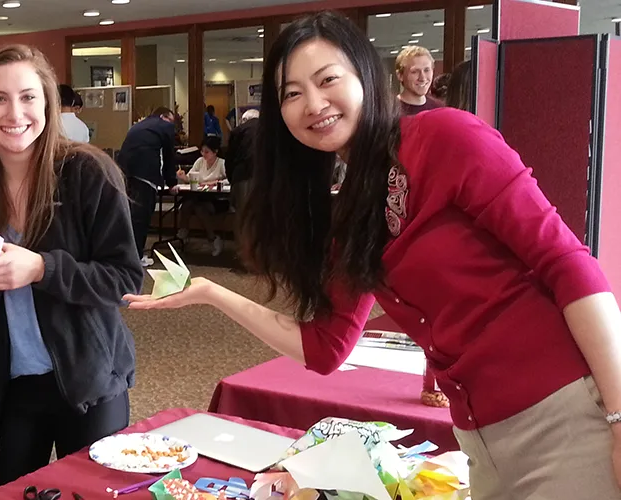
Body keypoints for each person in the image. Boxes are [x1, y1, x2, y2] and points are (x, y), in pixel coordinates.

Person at [124, 11, 621, 499]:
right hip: (479, 437)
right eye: (292, 94)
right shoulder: (354, 211)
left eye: (327, 80)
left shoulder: (447, 138)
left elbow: (569, 264)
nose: (313, 104)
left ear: (367, 76)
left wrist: (620, 416)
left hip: (564, 413)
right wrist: (214, 294)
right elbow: (326, 350)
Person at [0, 44, 143, 487]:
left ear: (48, 104)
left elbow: (126, 280)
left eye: (28, 96)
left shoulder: (87, 173)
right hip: (12, 387)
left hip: (89, 382)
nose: (14, 112)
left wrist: (41, 269)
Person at [119, 107, 178, 266]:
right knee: (142, 217)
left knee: (131, 216)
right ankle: (137, 257)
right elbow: (169, 156)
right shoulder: (165, 126)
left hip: (125, 171)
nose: (171, 125)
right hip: (145, 172)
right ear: (163, 116)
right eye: (171, 120)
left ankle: (126, 254)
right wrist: (172, 182)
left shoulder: (139, 125)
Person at [176, 135, 228, 256]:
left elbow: (229, 180)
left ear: (215, 152)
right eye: (202, 151)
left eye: (207, 152)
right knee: (189, 203)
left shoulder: (222, 164)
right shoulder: (199, 162)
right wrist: (183, 177)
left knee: (197, 206)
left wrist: (215, 182)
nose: (203, 154)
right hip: (199, 196)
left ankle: (210, 237)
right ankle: (186, 231)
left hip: (217, 199)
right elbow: (191, 178)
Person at [224, 108, 259, 216]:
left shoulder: (237, 131)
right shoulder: (269, 129)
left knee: (243, 215)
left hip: (241, 176)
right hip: (263, 176)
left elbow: (229, 158)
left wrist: (231, 179)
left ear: (244, 119)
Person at [396, 46, 443, 115]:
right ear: (400, 75)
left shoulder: (440, 109)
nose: (422, 78)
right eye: (414, 71)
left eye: (426, 70)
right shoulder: (389, 110)